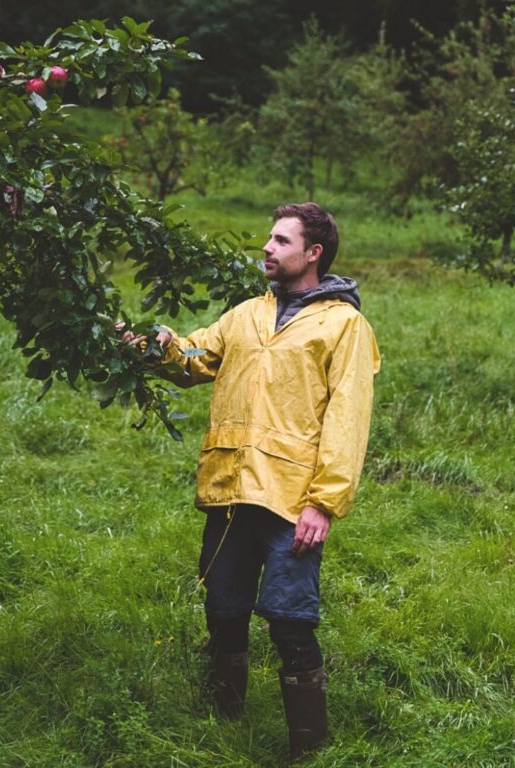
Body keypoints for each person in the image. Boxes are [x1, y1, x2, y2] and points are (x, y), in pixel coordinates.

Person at [130, 202, 380, 760]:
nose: (266, 248)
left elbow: (348, 418)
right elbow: (191, 359)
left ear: (313, 254)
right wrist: (148, 342)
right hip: (229, 490)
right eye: (268, 239)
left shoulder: (344, 326)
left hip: (293, 502)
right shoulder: (244, 314)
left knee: (291, 621)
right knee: (223, 609)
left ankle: (308, 747)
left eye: (280, 241)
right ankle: (224, 722)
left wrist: (325, 502)